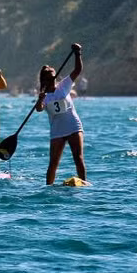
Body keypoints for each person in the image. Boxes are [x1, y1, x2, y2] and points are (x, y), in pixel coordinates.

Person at [35, 43, 86, 185]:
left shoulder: (63, 85)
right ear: (44, 80)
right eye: (50, 78)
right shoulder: (43, 95)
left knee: (78, 158)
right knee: (53, 164)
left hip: (73, 126)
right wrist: (39, 100)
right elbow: (39, 109)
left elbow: (77, 69)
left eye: (54, 76)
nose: (53, 79)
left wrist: (78, 53)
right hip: (57, 131)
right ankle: (48, 188)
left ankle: (84, 184)